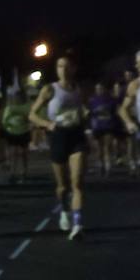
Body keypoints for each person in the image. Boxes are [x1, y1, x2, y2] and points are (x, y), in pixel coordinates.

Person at [29, 55, 88, 240]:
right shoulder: (50, 89)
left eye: (67, 66)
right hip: (58, 137)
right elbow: (32, 114)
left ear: (74, 69)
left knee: (76, 182)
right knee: (63, 186)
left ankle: (78, 224)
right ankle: (64, 209)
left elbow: (82, 109)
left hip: (76, 135)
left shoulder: (79, 89)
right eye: (59, 66)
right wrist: (48, 124)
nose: (63, 69)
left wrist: (85, 114)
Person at [85, 81, 119, 178]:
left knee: (107, 147)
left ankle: (108, 167)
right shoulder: (92, 100)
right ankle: (101, 166)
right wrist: (88, 127)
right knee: (98, 148)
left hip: (108, 126)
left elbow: (116, 113)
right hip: (97, 127)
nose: (99, 90)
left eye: (101, 88)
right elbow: (89, 114)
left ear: (105, 89)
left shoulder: (111, 100)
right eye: (97, 89)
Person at [0, 88, 32, 183]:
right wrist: (7, 128)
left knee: (24, 153)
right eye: (17, 96)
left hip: (24, 131)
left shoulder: (27, 106)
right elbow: (4, 120)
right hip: (12, 132)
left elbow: (31, 117)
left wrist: (28, 121)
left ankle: (24, 172)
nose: (18, 98)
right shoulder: (10, 107)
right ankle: (13, 172)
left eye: (20, 96)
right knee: (13, 153)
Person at [121, 54, 140, 176]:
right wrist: (128, 122)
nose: (137, 66)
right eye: (137, 63)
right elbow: (123, 109)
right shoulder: (134, 85)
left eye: (139, 63)